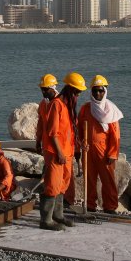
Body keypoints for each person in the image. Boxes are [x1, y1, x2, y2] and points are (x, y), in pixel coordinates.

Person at [40, 72, 86, 231]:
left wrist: (79, 146)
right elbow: (52, 133)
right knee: (52, 185)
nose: (78, 95)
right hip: (56, 153)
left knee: (62, 185)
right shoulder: (57, 105)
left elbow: (71, 131)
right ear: (70, 89)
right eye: (77, 92)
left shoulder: (69, 106)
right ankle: (46, 220)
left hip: (67, 152)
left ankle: (57, 215)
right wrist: (59, 152)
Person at [77, 75, 123, 214]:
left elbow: (115, 135)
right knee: (89, 179)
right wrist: (80, 143)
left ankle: (110, 207)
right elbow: (79, 129)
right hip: (88, 150)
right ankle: (90, 204)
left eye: (100, 90)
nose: (98, 93)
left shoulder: (111, 110)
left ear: (105, 91)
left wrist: (113, 153)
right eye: (95, 90)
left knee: (108, 180)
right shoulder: (85, 108)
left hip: (104, 151)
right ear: (91, 91)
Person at [35, 74, 59, 155]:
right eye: (42, 89)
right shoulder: (43, 104)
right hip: (47, 147)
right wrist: (38, 141)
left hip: (61, 146)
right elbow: (40, 124)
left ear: (53, 88)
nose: (43, 92)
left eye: (45, 89)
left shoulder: (61, 103)